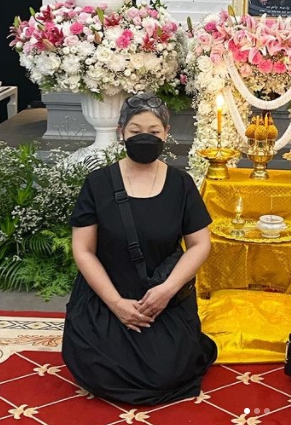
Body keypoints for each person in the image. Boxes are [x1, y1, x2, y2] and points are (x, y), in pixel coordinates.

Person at [62, 93, 217, 405]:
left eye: (154, 131)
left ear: (166, 133)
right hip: (107, 296)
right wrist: (116, 303)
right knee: (99, 368)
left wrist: (167, 291)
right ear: (121, 132)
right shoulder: (98, 183)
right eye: (135, 131)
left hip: (161, 297)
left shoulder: (181, 183)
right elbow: (83, 250)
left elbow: (200, 244)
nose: (145, 137)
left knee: (165, 373)